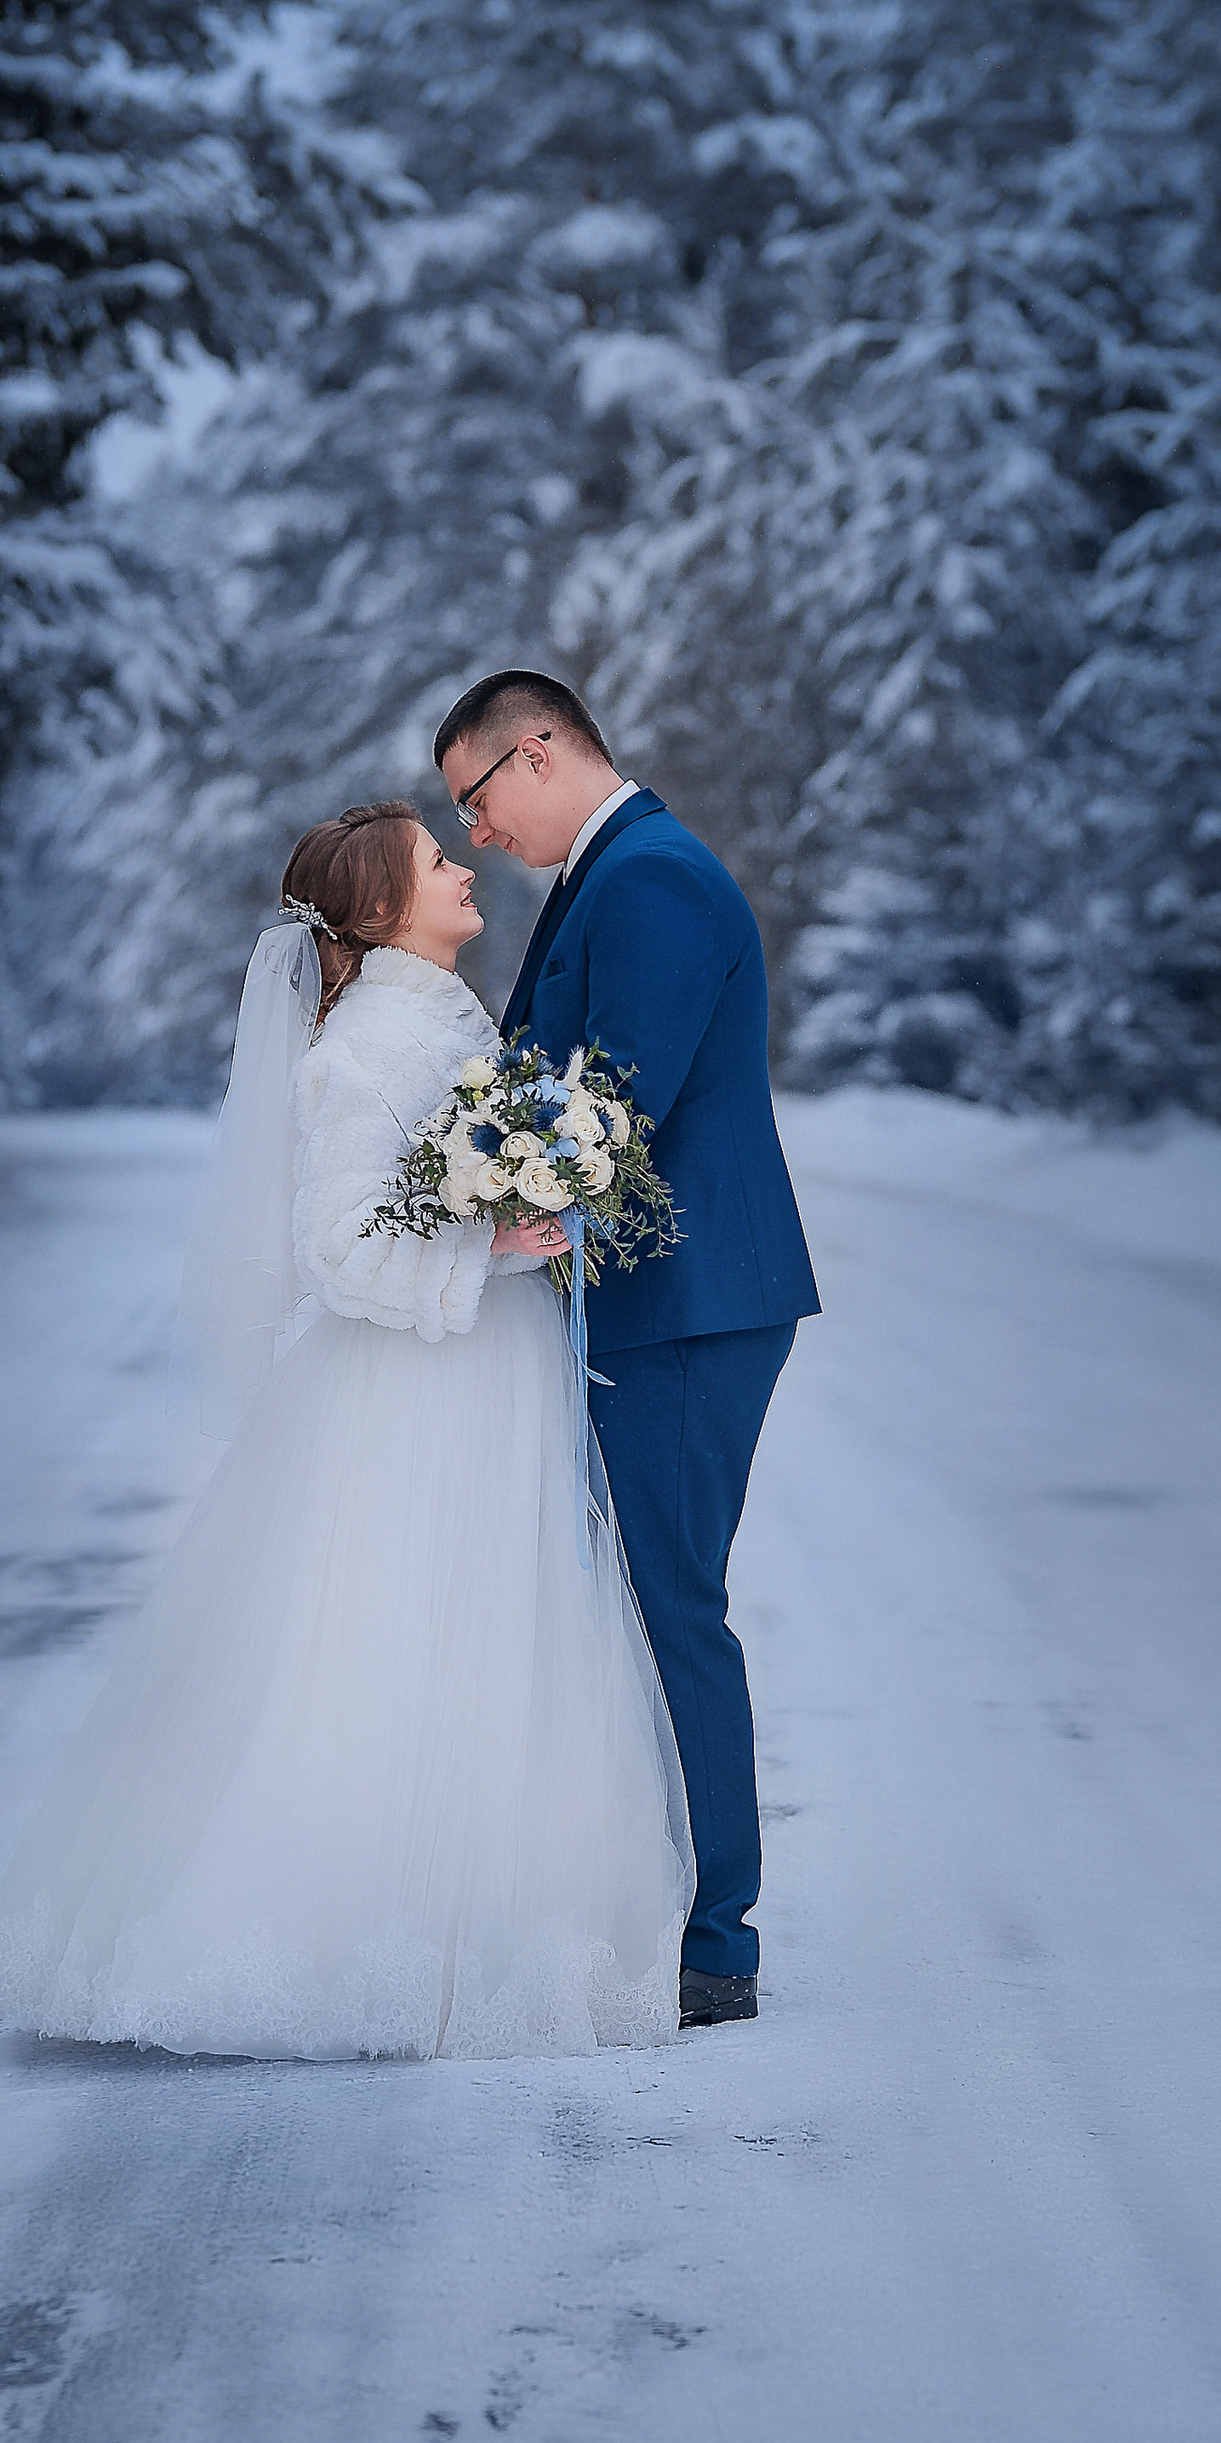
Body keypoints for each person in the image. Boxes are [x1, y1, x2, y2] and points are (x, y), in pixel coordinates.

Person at [0, 800, 692, 2060]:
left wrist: (525, 1218)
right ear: (378, 912)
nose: (463, 870)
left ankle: (479, 1928)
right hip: (418, 1392)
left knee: (490, 1642)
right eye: (435, 862)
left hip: (486, 1375)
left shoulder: (444, 1020)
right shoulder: (364, 1049)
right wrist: (493, 1247)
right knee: (395, 1645)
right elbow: (339, 1250)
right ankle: (346, 1941)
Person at [437, 672, 819, 2027]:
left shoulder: (651, 878)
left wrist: (451, 1201)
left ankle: (716, 1945)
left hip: (686, 1302)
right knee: (639, 1605)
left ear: (538, 753)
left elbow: (608, 1111)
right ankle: (663, 1909)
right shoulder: (611, 872)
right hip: (659, 1299)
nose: (477, 833)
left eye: (476, 799)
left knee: (670, 1610)